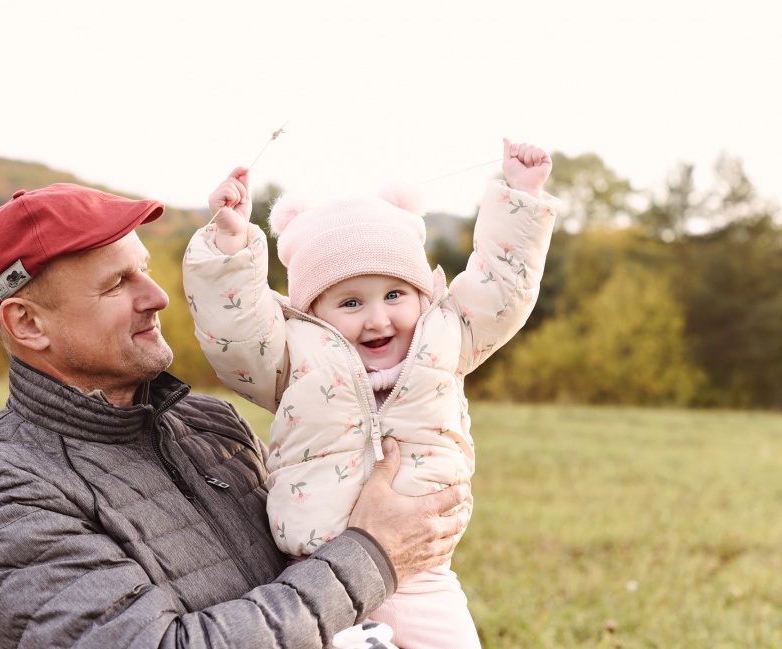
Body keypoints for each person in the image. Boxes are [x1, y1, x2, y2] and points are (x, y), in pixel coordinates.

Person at [0, 183, 472, 649]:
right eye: (116, 284)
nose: (158, 296)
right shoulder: (1, 493)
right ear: (28, 324)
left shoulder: (213, 427)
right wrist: (371, 556)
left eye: (143, 271)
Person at [183, 138, 558, 648]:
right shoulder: (293, 357)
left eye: (395, 294)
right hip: (320, 582)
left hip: (424, 578)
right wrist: (229, 247)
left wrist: (521, 195)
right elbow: (237, 332)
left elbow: (502, 288)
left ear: (423, 294)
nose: (378, 319)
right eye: (351, 301)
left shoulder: (447, 335)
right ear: (313, 313)